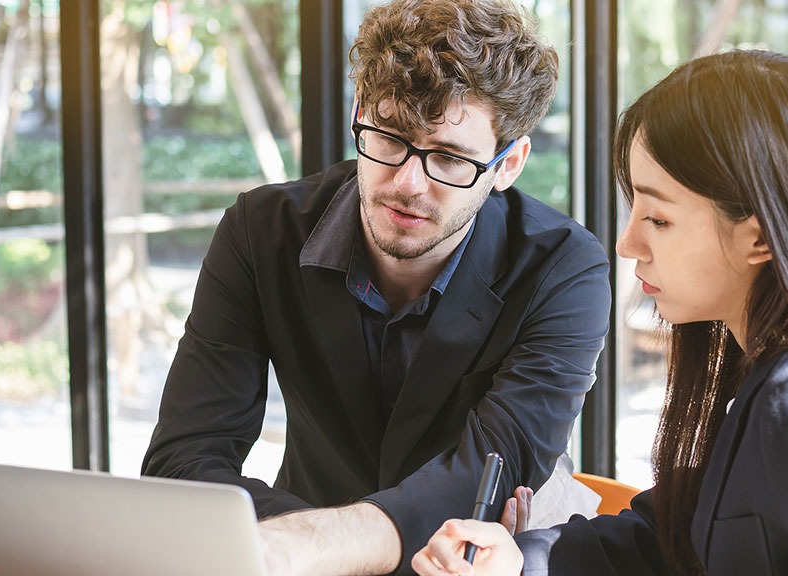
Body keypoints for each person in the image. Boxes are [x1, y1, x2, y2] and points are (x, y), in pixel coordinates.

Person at [412, 49, 788, 576]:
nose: (627, 243)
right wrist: (517, 562)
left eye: (659, 219)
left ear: (758, 237)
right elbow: (674, 536)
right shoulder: (762, 376)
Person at [140, 1, 611, 575]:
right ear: (360, 111)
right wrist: (310, 542)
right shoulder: (260, 232)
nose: (407, 184)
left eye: (449, 158)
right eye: (389, 137)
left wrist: (305, 542)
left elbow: (497, 463)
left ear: (508, 165)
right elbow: (183, 459)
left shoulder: (564, 266)